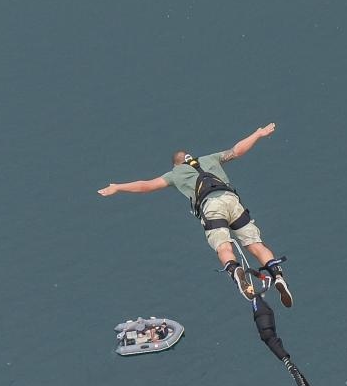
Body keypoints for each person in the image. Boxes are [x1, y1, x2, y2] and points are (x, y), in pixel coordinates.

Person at [98, 124, 293, 306]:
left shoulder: (174, 174)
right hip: (232, 201)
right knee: (256, 245)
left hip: (211, 206)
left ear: (176, 165)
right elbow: (237, 151)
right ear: (190, 157)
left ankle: (235, 270)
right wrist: (258, 134)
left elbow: (145, 185)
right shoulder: (210, 158)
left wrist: (118, 187)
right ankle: (277, 275)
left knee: (223, 247)